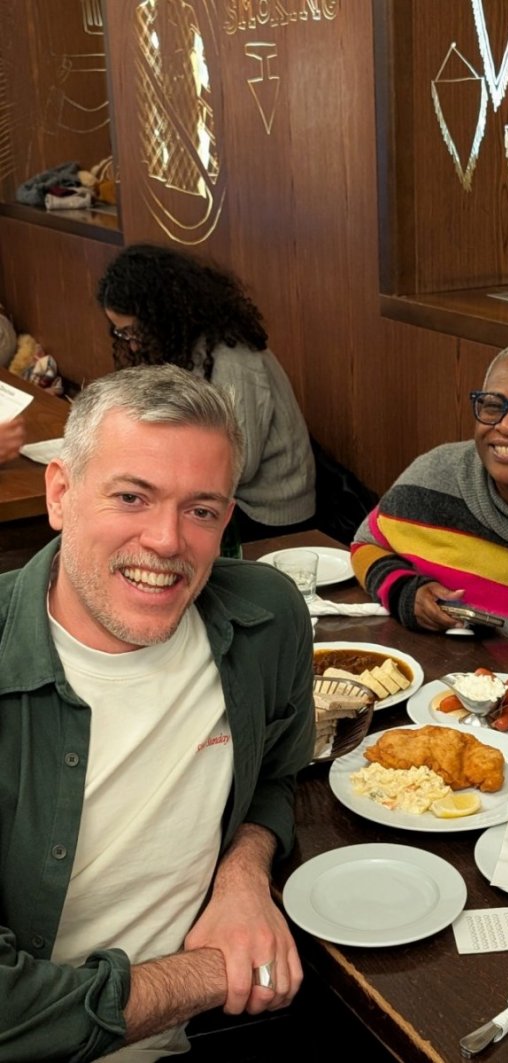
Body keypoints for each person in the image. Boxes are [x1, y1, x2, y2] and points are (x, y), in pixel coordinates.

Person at [0, 364, 315, 1060]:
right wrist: (213, 971)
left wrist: (243, 872)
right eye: (132, 497)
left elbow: (277, 773)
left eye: (201, 509)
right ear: (61, 492)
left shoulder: (269, 618)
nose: (168, 541)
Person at [351, 339, 508, 648]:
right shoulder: (433, 476)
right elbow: (365, 545)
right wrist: (405, 592)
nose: (506, 426)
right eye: (493, 406)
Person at [96, 244, 316, 542]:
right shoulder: (182, 347)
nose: (132, 345)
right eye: (121, 334)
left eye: (134, 332)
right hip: (217, 495)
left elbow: (237, 464)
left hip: (264, 513)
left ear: (162, 316)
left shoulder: (232, 360)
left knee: (135, 524)